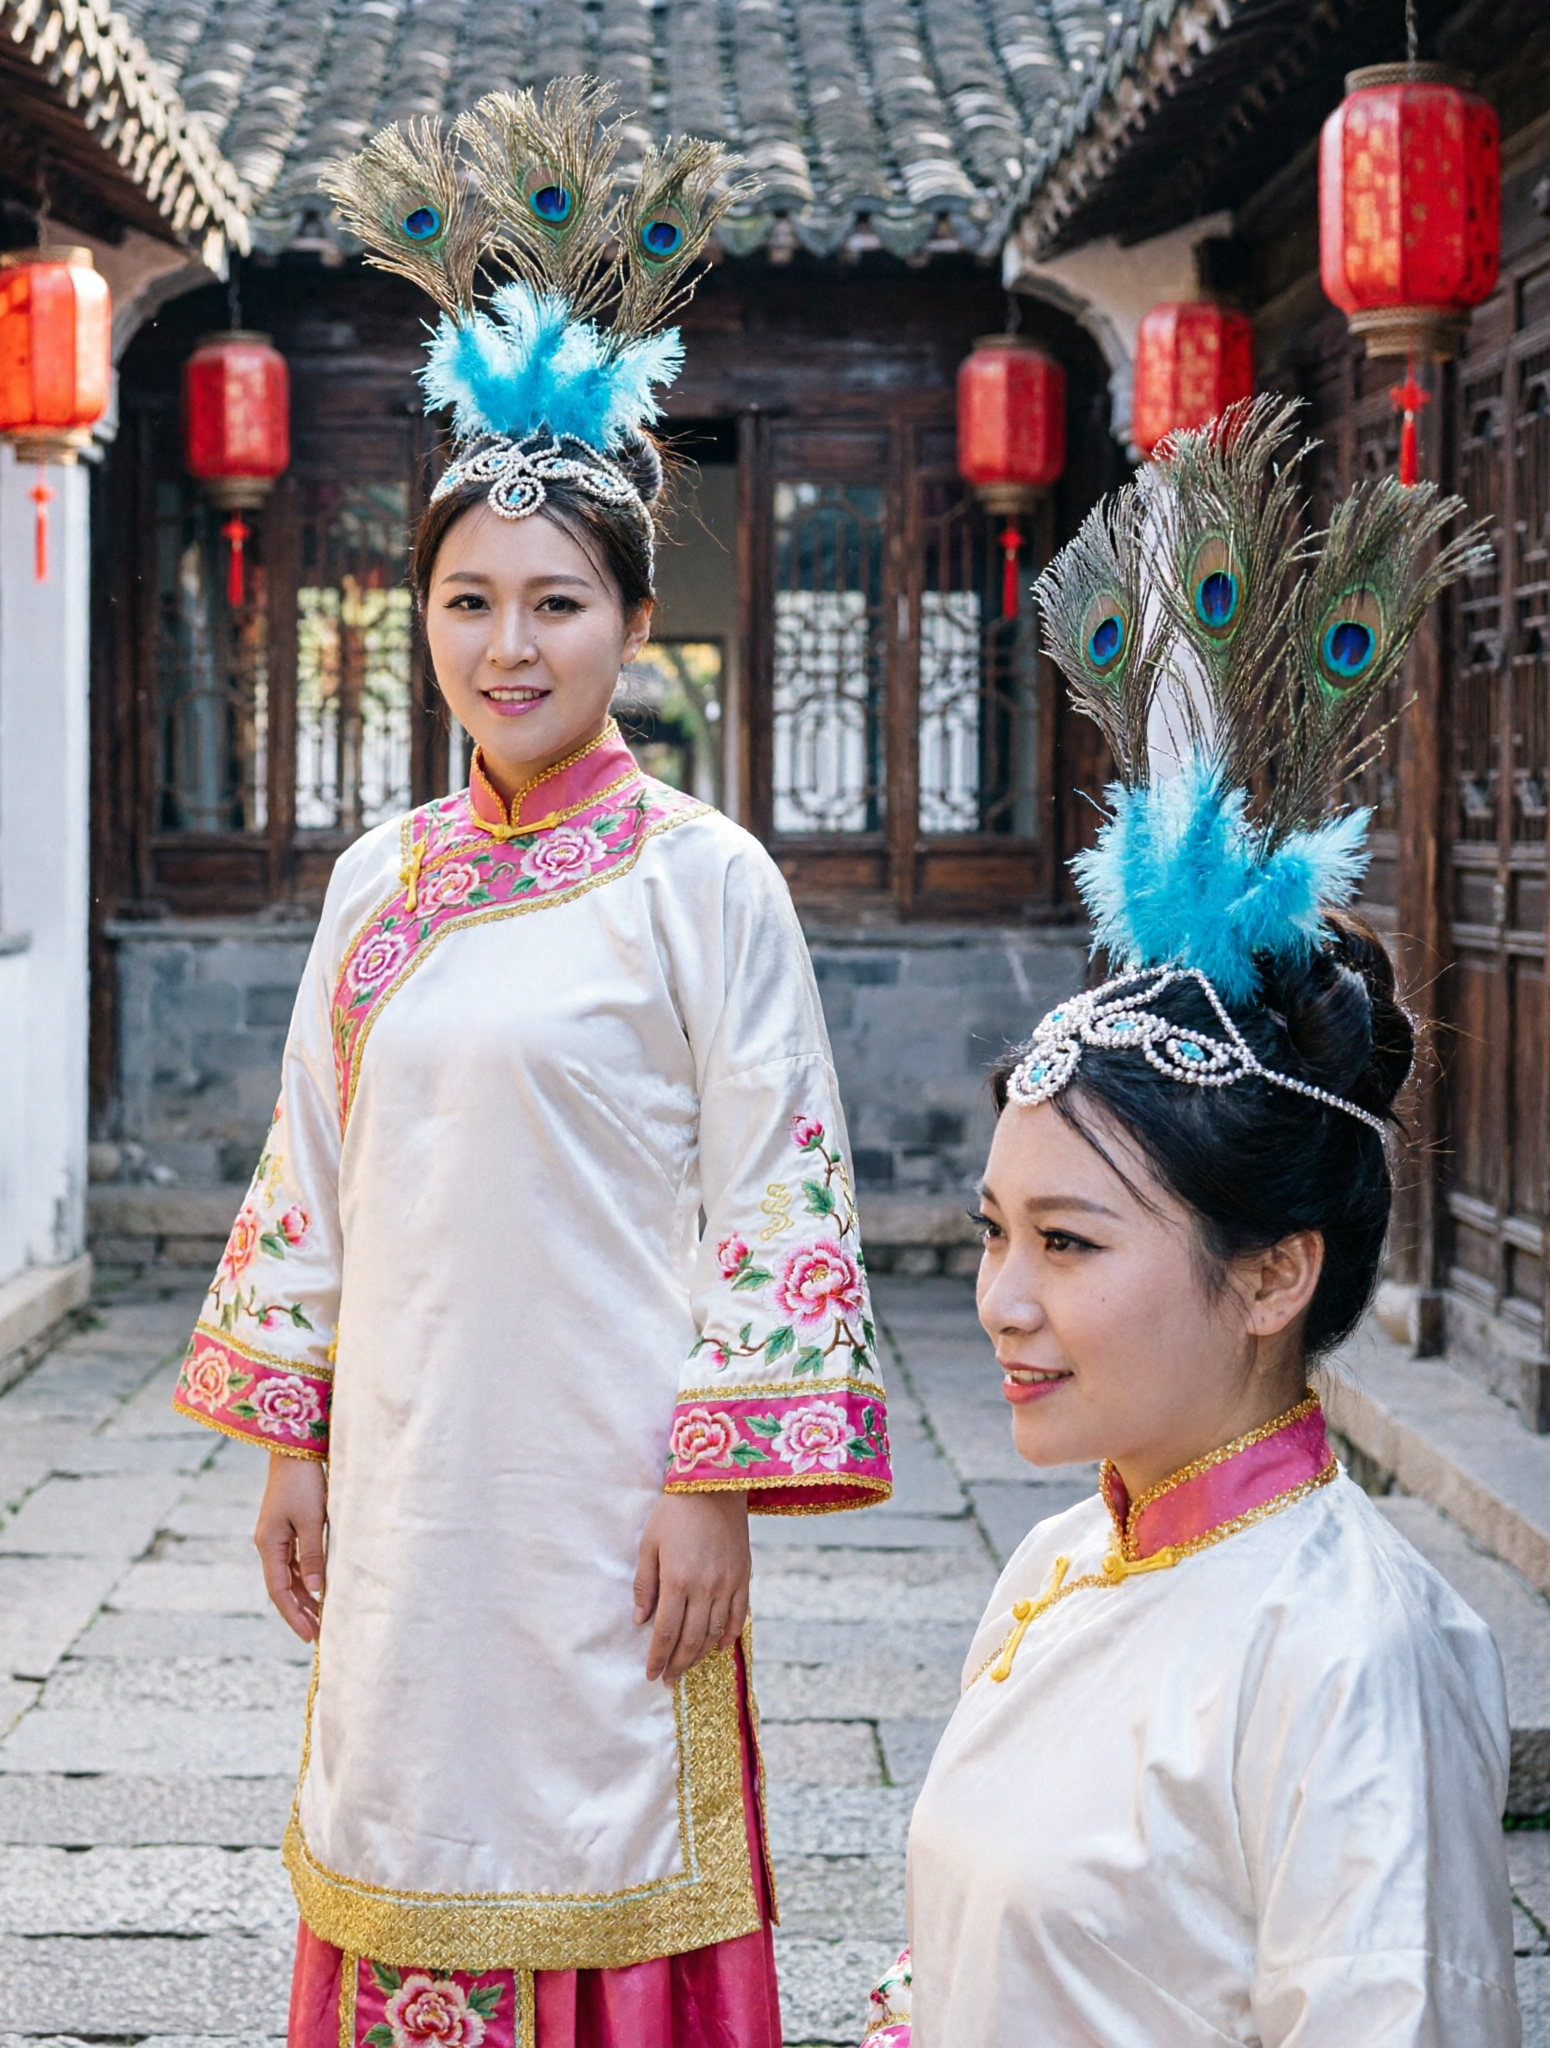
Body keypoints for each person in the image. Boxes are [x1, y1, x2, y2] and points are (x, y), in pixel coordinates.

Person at [173, 84, 893, 2046]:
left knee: (614, 1824)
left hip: (611, 1492)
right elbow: (309, 1178)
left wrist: (716, 1481)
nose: (512, 646)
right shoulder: (376, 886)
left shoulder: (703, 884)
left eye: (556, 603)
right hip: (410, 1488)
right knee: (407, 1812)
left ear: (634, 623)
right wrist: (293, 1447)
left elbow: (775, 1192)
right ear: (417, 617)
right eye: (471, 602)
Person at [865, 399, 1520, 2047]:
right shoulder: (1055, 1562)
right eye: (995, 1234)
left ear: (1274, 1273)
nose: (1003, 1302)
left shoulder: (1352, 1653)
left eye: (1070, 1244)